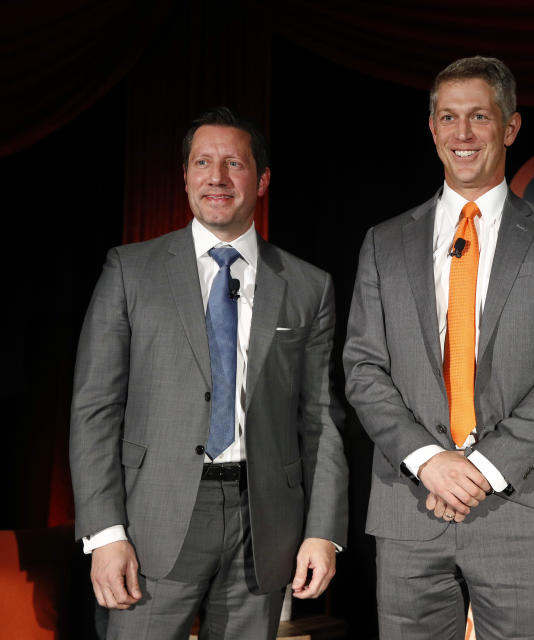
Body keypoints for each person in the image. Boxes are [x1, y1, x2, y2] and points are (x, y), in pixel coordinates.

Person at [69, 106, 348, 639]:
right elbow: (94, 411)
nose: (216, 178)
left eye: (234, 165)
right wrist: (104, 534)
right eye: (202, 162)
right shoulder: (130, 270)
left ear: (262, 180)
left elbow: (321, 420)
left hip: (263, 525)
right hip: (151, 524)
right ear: (185, 176)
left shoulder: (309, 286)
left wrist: (323, 533)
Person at [343, 56, 534, 639]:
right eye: (448, 118)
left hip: (516, 503)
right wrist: (430, 461)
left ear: (509, 127)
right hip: (410, 506)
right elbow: (362, 368)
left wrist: (480, 469)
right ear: (431, 128)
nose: (462, 134)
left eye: (479, 117)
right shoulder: (384, 243)